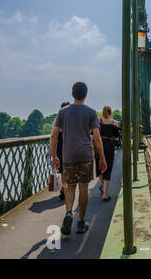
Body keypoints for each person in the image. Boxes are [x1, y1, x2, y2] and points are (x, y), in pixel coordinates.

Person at [51, 82, 107, 235]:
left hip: (68, 155)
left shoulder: (62, 112)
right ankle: (81, 222)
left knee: (70, 186)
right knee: (83, 187)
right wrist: (102, 158)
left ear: (72, 94)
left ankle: (69, 212)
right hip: (85, 155)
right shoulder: (90, 112)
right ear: (86, 94)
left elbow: (54, 134)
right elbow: (97, 138)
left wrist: (54, 155)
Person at [96, 106, 121, 202]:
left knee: (100, 167)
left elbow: (93, 133)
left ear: (102, 112)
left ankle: (103, 187)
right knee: (108, 167)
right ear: (111, 113)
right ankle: (105, 194)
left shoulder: (98, 122)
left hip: (99, 145)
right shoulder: (114, 123)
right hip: (109, 146)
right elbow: (117, 137)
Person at [54, 101, 70, 200]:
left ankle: (63, 189)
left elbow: (53, 136)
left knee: (60, 170)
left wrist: (51, 151)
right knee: (67, 168)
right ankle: (65, 188)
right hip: (69, 144)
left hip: (59, 144)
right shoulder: (72, 120)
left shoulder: (57, 119)